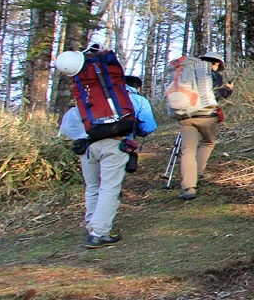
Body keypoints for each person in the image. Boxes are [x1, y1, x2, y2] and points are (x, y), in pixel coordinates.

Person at [55, 52, 157, 249]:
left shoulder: (86, 94)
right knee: (109, 188)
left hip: (87, 145)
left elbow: (70, 126)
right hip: (114, 144)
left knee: (92, 187)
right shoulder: (130, 98)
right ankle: (99, 233)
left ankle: (92, 226)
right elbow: (148, 127)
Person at [175, 51, 233, 200]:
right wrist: (228, 90)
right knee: (208, 142)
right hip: (206, 115)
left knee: (188, 149)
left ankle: (188, 187)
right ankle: (199, 173)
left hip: (185, 114)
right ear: (217, 63)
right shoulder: (211, 74)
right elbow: (216, 96)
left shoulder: (187, 72)